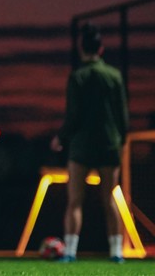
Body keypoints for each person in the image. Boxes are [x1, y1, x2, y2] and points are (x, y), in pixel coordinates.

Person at [50, 22, 128, 263]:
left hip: (82, 145)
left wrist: (60, 137)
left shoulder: (78, 77)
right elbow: (122, 114)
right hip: (108, 144)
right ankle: (116, 252)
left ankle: (71, 252)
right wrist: (120, 139)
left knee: (75, 200)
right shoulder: (114, 76)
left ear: (82, 49)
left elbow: (73, 115)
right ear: (101, 49)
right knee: (110, 198)